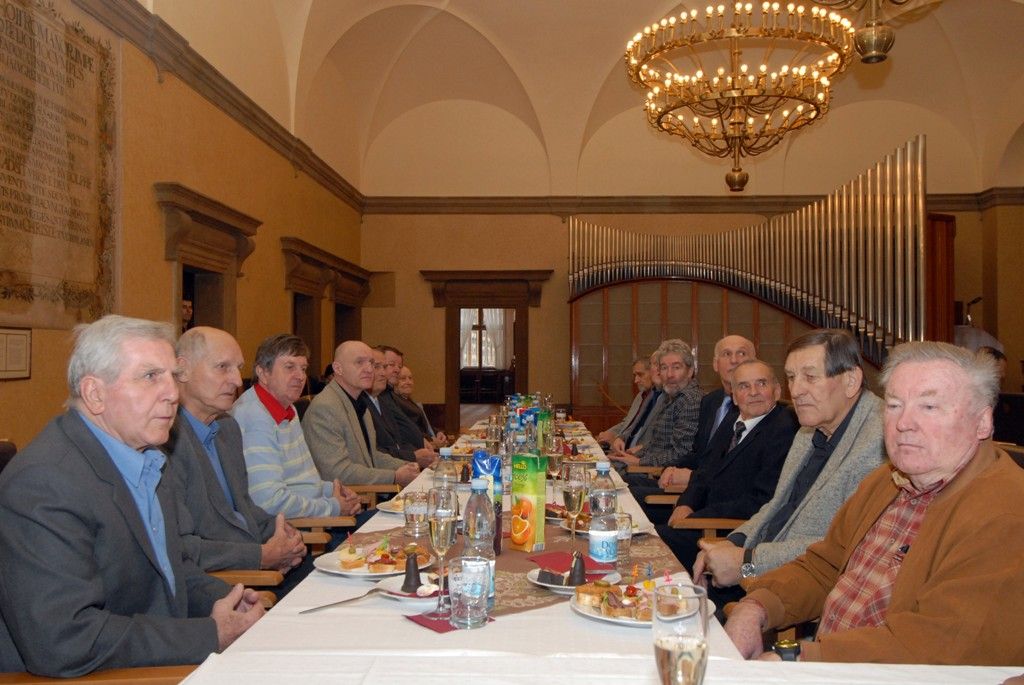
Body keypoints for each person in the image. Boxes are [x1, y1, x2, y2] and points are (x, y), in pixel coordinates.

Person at [725, 341, 1024, 665]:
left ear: (983, 422)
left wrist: (799, 657)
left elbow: (938, 645)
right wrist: (756, 607)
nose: (903, 423)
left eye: (928, 407)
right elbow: (825, 566)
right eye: (894, 405)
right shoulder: (887, 481)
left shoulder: (1004, 513)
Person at [0, 315, 262, 677]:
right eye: (150, 376)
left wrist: (228, 599)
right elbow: (64, 640)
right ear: (95, 394)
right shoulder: (44, 482)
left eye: (172, 376)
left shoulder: (149, 457)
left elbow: (169, 574)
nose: (173, 393)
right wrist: (209, 634)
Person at [694, 329, 885, 614]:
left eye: (810, 377)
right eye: (792, 377)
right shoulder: (809, 430)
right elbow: (776, 507)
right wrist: (730, 542)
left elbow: (842, 548)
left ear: (851, 380)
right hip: (759, 569)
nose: (795, 391)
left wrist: (745, 561)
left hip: (799, 598)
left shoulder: (879, 443)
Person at [166, 327, 306, 581]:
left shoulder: (228, 428)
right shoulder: (165, 440)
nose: (238, 381)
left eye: (238, 368)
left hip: (256, 564)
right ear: (182, 370)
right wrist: (261, 556)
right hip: (219, 583)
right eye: (223, 367)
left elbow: (244, 508)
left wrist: (286, 535)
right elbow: (179, 547)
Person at [656, 359, 799, 570]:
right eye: (744, 386)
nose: (753, 392)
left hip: (731, 534)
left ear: (777, 391)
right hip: (702, 520)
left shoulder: (784, 429)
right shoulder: (732, 421)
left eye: (761, 383)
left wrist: (696, 517)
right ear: (733, 396)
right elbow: (704, 471)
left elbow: (762, 502)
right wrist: (686, 503)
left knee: (644, 544)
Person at [232, 334, 363, 519]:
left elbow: (304, 482)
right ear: (263, 372)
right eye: (289, 367)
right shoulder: (254, 415)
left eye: (303, 368)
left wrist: (335, 490)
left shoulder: (288, 407)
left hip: (311, 517)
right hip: (293, 529)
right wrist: (333, 507)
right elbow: (269, 501)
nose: (300, 376)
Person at [303, 341, 420, 486]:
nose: (369, 369)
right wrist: (395, 476)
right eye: (359, 362)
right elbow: (337, 473)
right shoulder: (325, 408)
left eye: (371, 363)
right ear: (338, 369)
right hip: (342, 498)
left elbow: (371, 457)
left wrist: (407, 466)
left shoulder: (358, 402)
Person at [658, 335, 754, 490]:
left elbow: (739, 471)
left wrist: (692, 477)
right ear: (715, 364)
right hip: (694, 488)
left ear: (754, 362)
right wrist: (670, 469)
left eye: (741, 353)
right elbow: (698, 453)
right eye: (727, 354)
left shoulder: (755, 408)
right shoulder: (710, 401)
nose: (734, 360)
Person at [621, 339, 702, 468]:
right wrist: (633, 455)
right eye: (664, 368)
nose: (669, 374)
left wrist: (639, 462)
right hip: (650, 466)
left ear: (690, 371)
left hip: (662, 475)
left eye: (676, 367)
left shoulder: (689, 400)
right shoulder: (671, 396)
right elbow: (657, 445)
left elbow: (681, 454)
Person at [364, 349, 434, 467]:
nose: (383, 373)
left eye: (384, 367)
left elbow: (398, 440)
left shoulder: (382, 400)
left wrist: (422, 451)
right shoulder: (363, 403)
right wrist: (413, 455)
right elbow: (373, 452)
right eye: (377, 367)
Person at [597, 358, 657, 445]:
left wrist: (615, 439)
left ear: (654, 373)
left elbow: (645, 436)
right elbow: (627, 423)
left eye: (640, 375)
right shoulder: (640, 396)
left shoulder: (659, 400)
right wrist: (608, 433)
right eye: (635, 375)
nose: (636, 381)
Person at [394, 365, 448, 447]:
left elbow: (424, 425)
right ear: (394, 382)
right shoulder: (397, 403)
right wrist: (431, 440)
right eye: (403, 379)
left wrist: (438, 433)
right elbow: (410, 430)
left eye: (410, 378)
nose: (408, 382)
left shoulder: (408, 400)